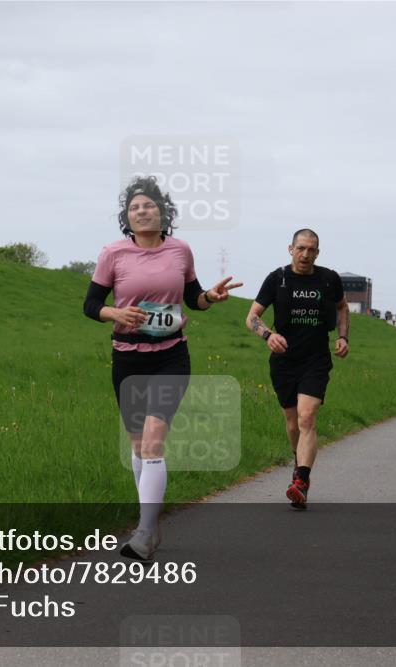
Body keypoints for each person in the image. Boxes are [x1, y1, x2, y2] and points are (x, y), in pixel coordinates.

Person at [83, 176, 241, 559]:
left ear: (162, 212)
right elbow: (90, 305)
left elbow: (193, 297)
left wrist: (209, 298)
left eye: (148, 205)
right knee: (139, 446)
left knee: (154, 440)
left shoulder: (180, 250)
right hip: (128, 356)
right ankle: (149, 529)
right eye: (134, 207)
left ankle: (144, 532)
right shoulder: (113, 254)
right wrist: (115, 312)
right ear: (127, 216)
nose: (141, 211)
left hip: (171, 355)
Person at [244, 229, 350, 510]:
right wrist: (268, 335)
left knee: (307, 417)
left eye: (311, 250)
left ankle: (301, 480)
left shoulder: (329, 279)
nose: (306, 254)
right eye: (301, 248)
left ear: (318, 252)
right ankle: (298, 462)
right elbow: (252, 317)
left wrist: (343, 336)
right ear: (290, 248)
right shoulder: (277, 278)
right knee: (292, 423)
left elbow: (343, 308)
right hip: (284, 360)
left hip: (316, 359)